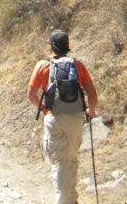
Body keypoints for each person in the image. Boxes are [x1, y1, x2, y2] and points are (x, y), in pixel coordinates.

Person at [27, 30, 99, 204]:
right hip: (76, 118)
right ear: (67, 46)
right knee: (71, 157)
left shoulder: (43, 66)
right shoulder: (78, 66)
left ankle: (62, 201)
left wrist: (45, 109)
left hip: (55, 118)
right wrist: (91, 112)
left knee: (59, 160)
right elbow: (92, 95)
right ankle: (72, 199)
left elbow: (31, 95)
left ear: (51, 46)